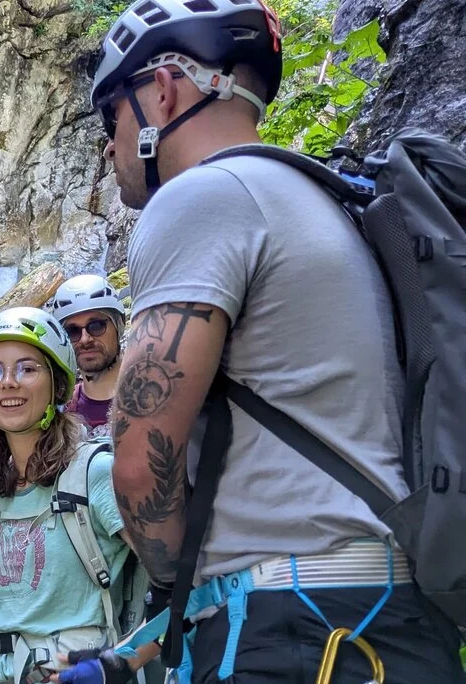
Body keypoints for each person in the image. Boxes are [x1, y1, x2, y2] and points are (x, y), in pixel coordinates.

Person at [75, 0, 466, 682]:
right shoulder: (329, 200)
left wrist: (172, 574)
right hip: (399, 619)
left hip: (287, 627)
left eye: (113, 116)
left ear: (162, 89)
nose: (111, 146)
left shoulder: (200, 198)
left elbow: (138, 467)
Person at [0, 307, 136, 684]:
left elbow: (179, 584)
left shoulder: (94, 475)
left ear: (58, 384)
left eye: (27, 368)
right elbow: (4, 597)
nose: (8, 383)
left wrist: (120, 664)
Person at [48, 274, 126, 437]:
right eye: (72, 331)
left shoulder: (155, 394)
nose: (85, 339)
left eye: (96, 326)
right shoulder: (60, 413)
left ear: (118, 326)